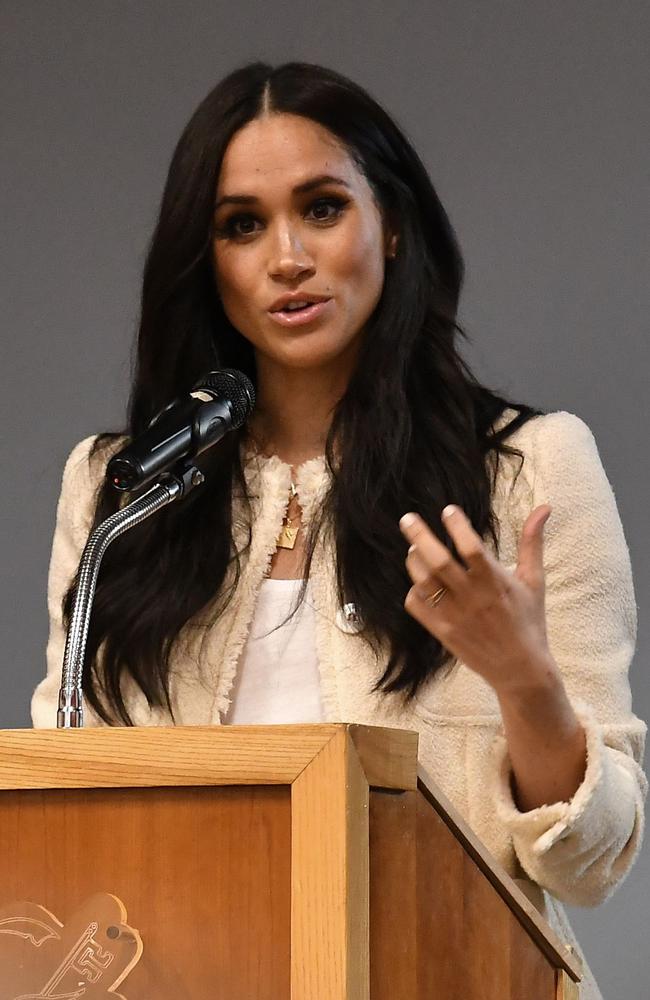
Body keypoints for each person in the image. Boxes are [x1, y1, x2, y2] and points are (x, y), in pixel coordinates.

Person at [33, 62, 646, 998]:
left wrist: (527, 683)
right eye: (243, 224)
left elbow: (595, 865)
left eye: (322, 208)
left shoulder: (530, 470)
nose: (287, 257)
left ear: (392, 225)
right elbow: (67, 810)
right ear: (209, 263)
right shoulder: (120, 490)